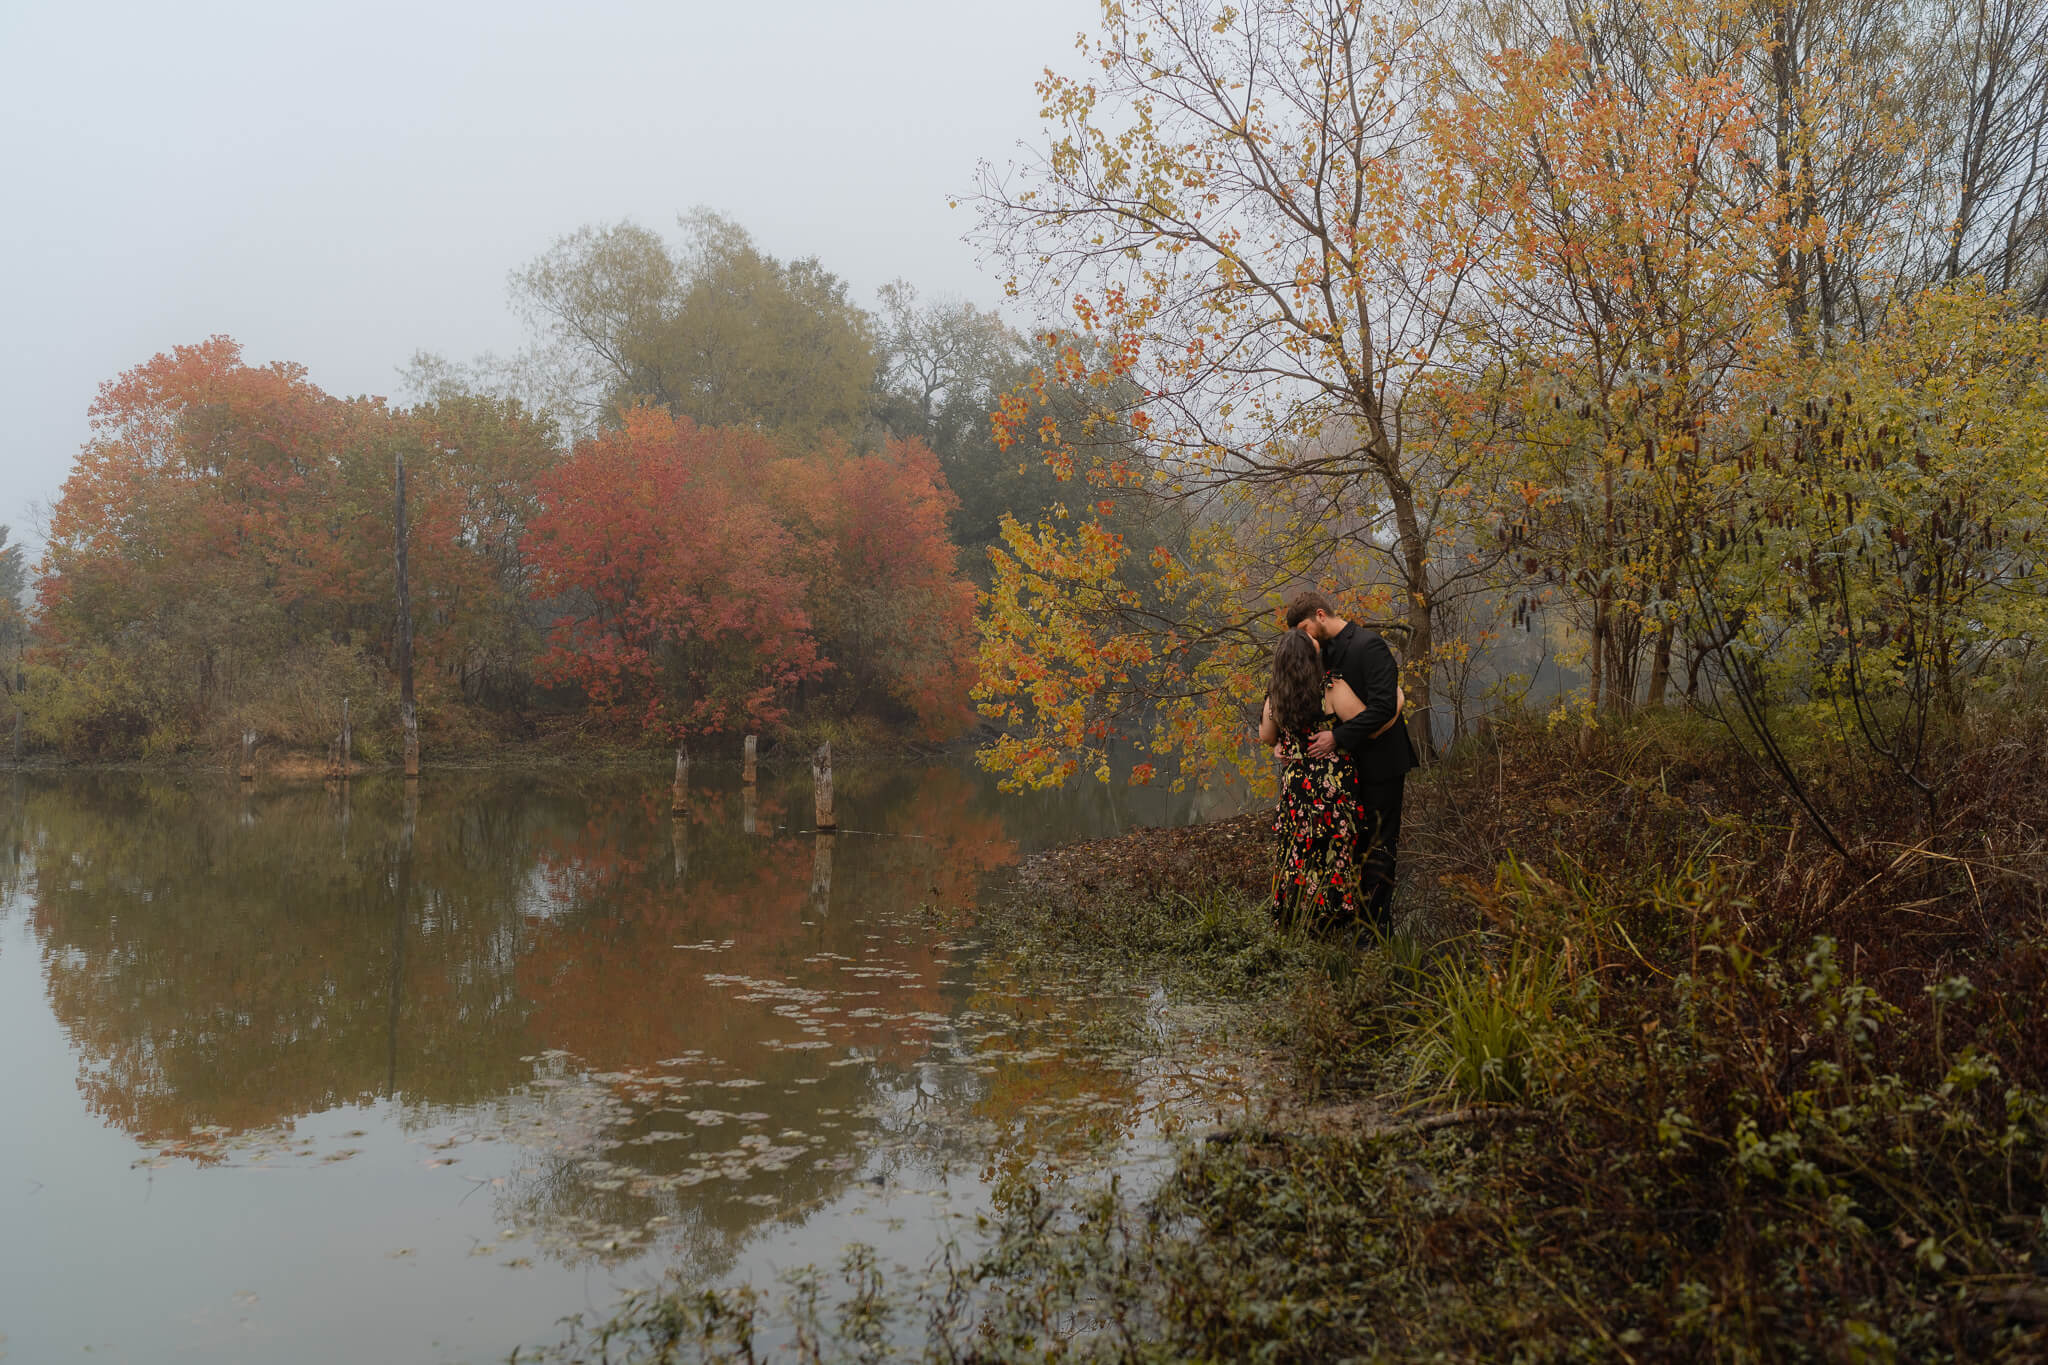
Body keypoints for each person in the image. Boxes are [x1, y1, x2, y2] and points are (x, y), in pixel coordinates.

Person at [1285, 590, 1416, 931]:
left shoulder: (1369, 646)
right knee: (1349, 844)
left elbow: (1384, 707)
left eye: (1303, 627)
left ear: (1320, 615)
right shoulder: (1318, 653)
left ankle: (1375, 931)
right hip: (1344, 773)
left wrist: (1338, 738)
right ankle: (1344, 921)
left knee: (1378, 846)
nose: (1302, 636)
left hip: (1382, 764)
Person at [1258, 626, 1405, 931]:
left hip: (1297, 788)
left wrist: (1281, 745)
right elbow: (1371, 724)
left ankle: (1296, 917)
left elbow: (1266, 735)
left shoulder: (1275, 695)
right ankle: (1336, 918)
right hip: (1331, 786)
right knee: (1335, 850)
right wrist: (1397, 700)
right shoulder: (1331, 688)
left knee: (1298, 848)